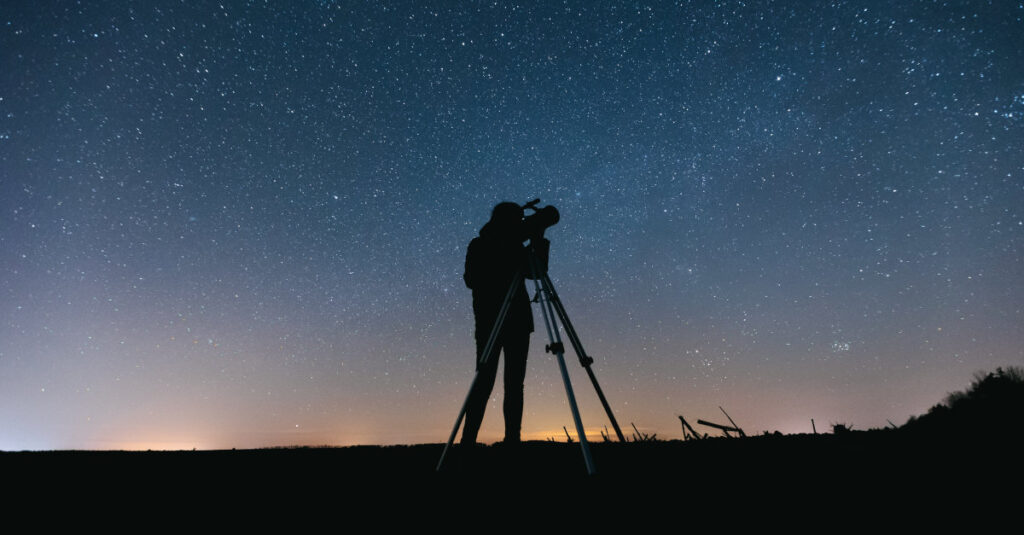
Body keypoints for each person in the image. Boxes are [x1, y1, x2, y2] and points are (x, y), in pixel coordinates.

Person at [461, 202, 549, 445]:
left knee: (514, 384)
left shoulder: (517, 246)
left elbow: (538, 273)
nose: (520, 224)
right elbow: (471, 279)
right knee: (484, 381)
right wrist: (503, 255)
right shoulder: (479, 245)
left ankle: (513, 440)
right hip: (490, 321)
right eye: (516, 219)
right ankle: (467, 441)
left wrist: (538, 239)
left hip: (518, 323)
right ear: (502, 220)